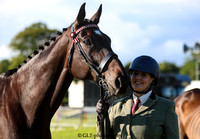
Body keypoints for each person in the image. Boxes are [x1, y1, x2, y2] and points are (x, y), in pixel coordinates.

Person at [96, 55, 179, 139]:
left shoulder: (166, 107)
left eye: (143, 75)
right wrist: (102, 116)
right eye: (135, 74)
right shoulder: (117, 106)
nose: (138, 78)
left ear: (152, 80)